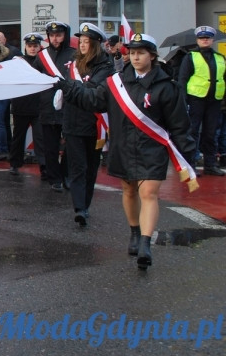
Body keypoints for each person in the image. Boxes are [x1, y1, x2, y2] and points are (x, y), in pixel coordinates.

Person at [61, 33, 195, 270]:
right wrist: (67, 86)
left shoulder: (167, 87)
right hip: (123, 147)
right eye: (132, 53)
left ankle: (145, 243)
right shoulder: (116, 82)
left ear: (152, 56)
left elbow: (179, 125)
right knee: (129, 190)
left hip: (152, 149)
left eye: (141, 53)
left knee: (149, 194)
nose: (135, 57)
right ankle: (134, 232)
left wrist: (188, 157)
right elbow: (93, 99)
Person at [60, 23, 112, 227]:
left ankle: (86, 205)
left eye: (86, 42)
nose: (82, 45)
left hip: (94, 123)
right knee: (77, 167)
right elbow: (72, 88)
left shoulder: (105, 66)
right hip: (72, 122)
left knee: (91, 167)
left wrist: (68, 87)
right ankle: (79, 208)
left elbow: (92, 91)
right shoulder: (73, 63)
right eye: (80, 41)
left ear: (96, 44)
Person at [33, 20, 75, 191]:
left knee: (70, 145)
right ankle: (54, 178)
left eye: (59, 35)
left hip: (69, 105)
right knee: (50, 146)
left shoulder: (74, 54)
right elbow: (35, 78)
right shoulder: (42, 56)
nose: (55, 39)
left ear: (65, 36)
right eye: (52, 35)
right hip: (48, 105)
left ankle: (66, 175)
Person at [178, 25, 226, 176]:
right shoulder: (190, 57)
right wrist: (184, 101)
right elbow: (182, 80)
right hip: (195, 99)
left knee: (211, 133)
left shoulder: (220, 58)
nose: (205, 40)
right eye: (202, 38)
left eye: (207, 38)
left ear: (212, 40)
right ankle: (190, 164)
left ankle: (210, 165)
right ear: (197, 40)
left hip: (215, 101)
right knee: (192, 133)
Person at [9, 33, 44, 175]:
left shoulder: (44, 61)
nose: (32, 49)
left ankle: (44, 166)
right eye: (30, 46)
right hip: (21, 105)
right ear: (25, 47)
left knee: (40, 139)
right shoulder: (18, 61)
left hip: (38, 106)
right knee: (18, 137)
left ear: (39, 47)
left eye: (35, 46)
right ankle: (14, 163)